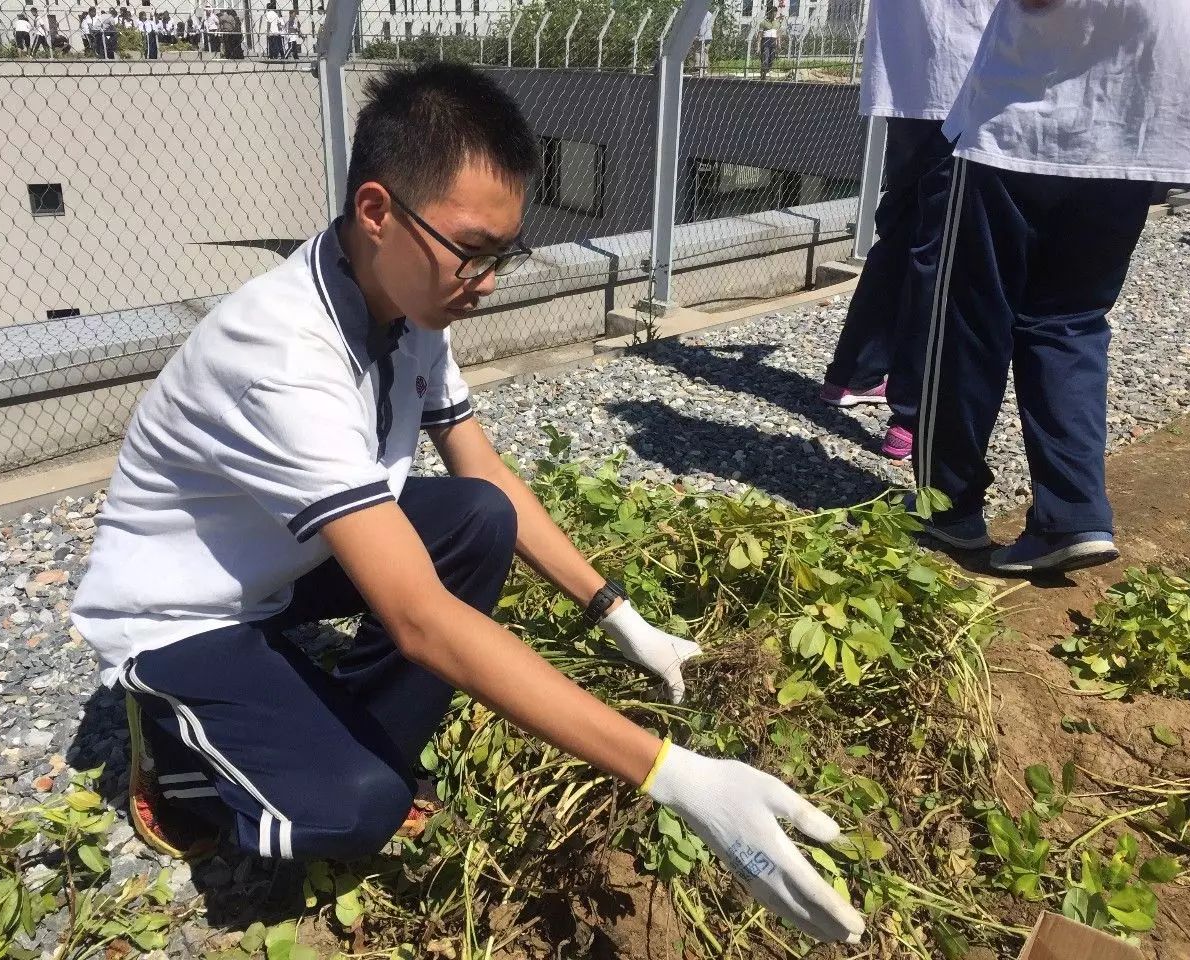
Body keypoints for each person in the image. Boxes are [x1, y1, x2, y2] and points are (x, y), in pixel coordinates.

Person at [69, 62, 865, 947]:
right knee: (353, 807)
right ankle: (180, 758)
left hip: (280, 558)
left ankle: (327, 719)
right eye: (472, 249)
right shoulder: (280, 357)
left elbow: (488, 478)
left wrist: (619, 615)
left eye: (503, 254)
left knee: (477, 516)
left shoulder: (406, 302)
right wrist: (674, 775)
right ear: (377, 212)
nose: (487, 279)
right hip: (187, 604)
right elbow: (420, 621)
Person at [915, 0, 1190, 572]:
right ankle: (1072, 514)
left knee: (968, 324)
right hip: (1138, 129)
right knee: (1071, 320)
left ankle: (948, 508)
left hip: (1030, 123)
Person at [818, 0, 995, 462]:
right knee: (939, 255)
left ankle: (854, 373)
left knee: (900, 237)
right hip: (968, 79)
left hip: (906, 76)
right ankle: (912, 415)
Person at [758, 4, 778, 80]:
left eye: (775, 13)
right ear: (768, 13)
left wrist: (778, 43)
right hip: (765, 41)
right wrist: (758, 46)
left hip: (773, 41)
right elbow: (759, 35)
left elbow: (778, 33)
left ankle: (766, 70)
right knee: (765, 58)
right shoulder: (763, 22)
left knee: (771, 58)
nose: (774, 14)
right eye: (772, 13)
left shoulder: (777, 22)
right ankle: (763, 74)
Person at [695, 9, 714, 76]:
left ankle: (698, 68)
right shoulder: (710, 14)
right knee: (705, 51)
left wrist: (696, 35)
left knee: (698, 51)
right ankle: (705, 69)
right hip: (708, 36)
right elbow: (712, 26)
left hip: (701, 36)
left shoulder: (699, 13)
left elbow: (697, 25)